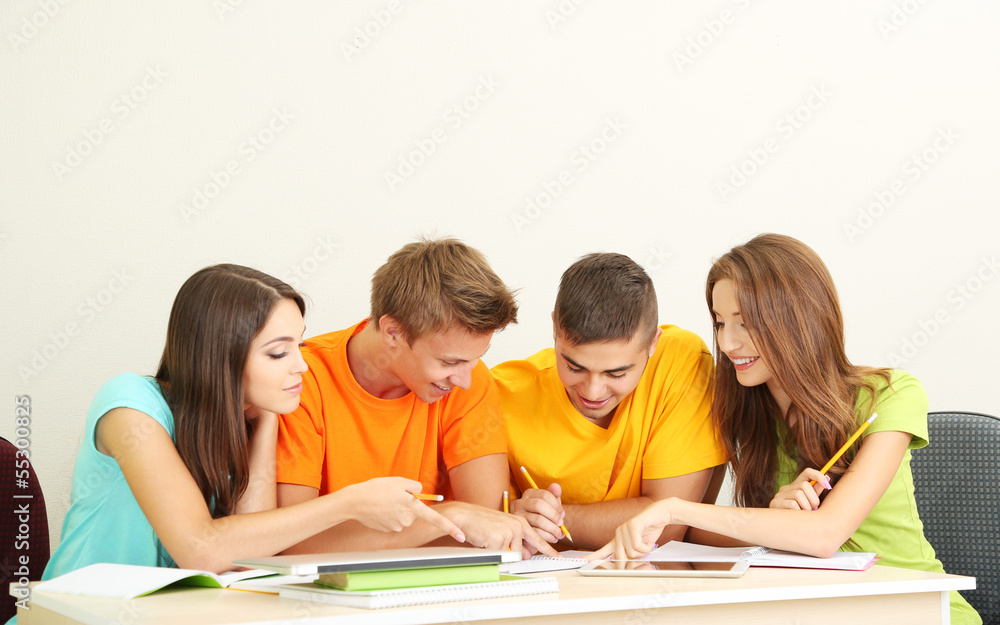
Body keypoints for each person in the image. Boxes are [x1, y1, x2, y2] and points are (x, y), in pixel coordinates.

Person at [594, 234, 981, 625]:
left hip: (914, 609)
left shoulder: (892, 394)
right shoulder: (740, 410)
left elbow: (826, 534)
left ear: (798, 319)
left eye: (745, 324)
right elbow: (694, 537)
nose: (727, 342)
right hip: (813, 610)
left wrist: (675, 508)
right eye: (719, 322)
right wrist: (773, 523)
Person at [42, 265, 463, 583]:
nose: (302, 365)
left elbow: (245, 557)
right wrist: (348, 503)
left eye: (299, 344)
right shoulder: (128, 407)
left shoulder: (250, 417)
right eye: (279, 353)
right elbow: (202, 551)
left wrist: (267, 422)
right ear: (220, 356)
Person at [277, 238, 557, 557]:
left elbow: (488, 530)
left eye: (475, 359)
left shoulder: (467, 379)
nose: (465, 378)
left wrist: (462, 523)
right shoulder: (301, 380)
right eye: (449, 362)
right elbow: (292, 541)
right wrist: (450, 518)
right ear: (392, 333)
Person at [492, 253, 727, 550]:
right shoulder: (502, 391)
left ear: (652, 343)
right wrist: (507, 516)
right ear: (554, 328)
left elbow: (666, 525)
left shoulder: (681, 359)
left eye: (617, 373)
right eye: (574, 367)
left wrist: (536, 522)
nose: (592, 391)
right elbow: (482, 523)